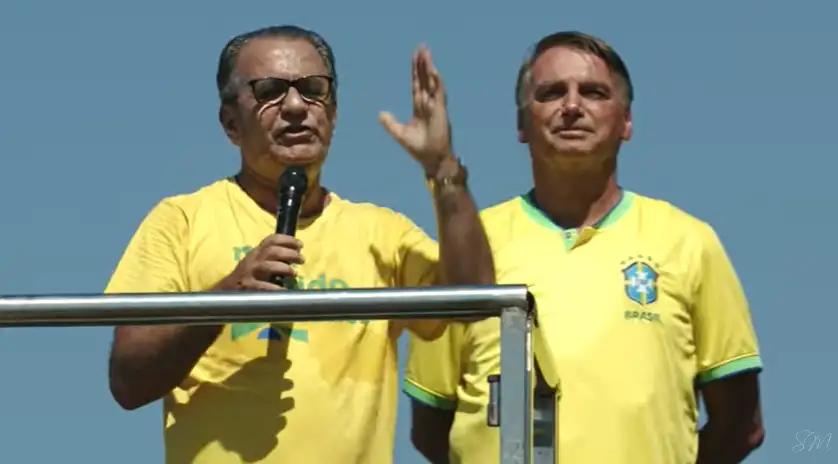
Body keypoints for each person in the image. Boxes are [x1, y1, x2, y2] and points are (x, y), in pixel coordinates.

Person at [104, 25, 495, 464]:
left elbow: (475, 300)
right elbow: (129, 381)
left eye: (313, 89)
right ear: (230, 123)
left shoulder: (381, 232)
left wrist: (442, 167)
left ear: (334, 112)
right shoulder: (181, 221)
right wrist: (226, 298)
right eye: (270, 91)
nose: (295, 106)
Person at [405, 31, 765, 464]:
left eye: (593, 92)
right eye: (551, 93)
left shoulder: (689, 242)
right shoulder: (470, 246)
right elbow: (430, 426)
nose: (572, 106)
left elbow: (740, 425)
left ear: (626, 122)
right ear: (521, 124)